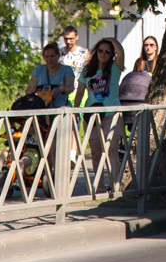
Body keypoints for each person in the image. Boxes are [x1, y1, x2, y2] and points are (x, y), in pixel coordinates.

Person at [79, 38, 126, 170]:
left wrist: (110, 39)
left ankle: (114, 187)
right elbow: (80, 92)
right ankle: (99, 189)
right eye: (100, 50)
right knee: (96, 153)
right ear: (96, 52)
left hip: (112, 114)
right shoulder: (87, 71)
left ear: (111, 55)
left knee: (111, 150)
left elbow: (121, 53)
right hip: (92, 116)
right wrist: (76, 111)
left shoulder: (114, 68)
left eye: (107, 52)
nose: (103, 54)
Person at [27, 42, 76, 107]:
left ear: (58, 56)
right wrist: (32, 90)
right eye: (47, 57)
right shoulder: (38, 70)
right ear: (43, 57)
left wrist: (64, 89)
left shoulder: (67, 70)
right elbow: (29, 89)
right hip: (42, 106)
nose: (50, 59)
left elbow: (71, 88)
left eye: (52, 56)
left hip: (61, 106)